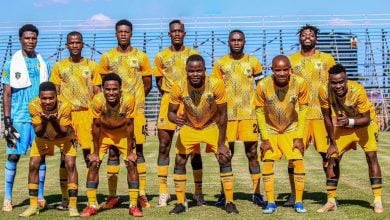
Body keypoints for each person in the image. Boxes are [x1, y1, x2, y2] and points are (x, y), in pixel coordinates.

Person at [167, 54, 239, 215]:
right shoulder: (178, 85)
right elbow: (170, 113)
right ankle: (180, 203)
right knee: (179, 161)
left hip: (211, 126)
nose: (195, 74)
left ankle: (229, 202)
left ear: (204, 71)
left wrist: (221, 144)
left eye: (199, 70)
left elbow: (223, 115)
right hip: (190, 127)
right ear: (186, 71)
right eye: (191, 71)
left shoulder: (215, 84)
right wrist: (176, 119)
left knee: (224, 157)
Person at [98, 19, 152, 209]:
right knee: (113, 151)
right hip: (112, 114)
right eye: (120, 32)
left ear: (131, 33)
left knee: (139, 152)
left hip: (136, 113)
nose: (123, 34)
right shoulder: (107, 57)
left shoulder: (142, 57)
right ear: (116, 34)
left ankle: (141, 194)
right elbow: (101, 85)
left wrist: (134, 101)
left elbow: (148, 83)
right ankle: (112, 196)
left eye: (126, 32)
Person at [318, 64, 383, 213]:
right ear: (329, 82)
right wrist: (333, 143)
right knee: (333, 158)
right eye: (334, 82)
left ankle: (378, 200)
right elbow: (327, 117)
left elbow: (366, 119)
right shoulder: (323, 91)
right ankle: (331, 201)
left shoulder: (357, 90)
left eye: (341, 81)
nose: (338, 85)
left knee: (371, 156)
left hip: (364, 124)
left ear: (346, 79)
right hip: (344, 123)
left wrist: (350, 122)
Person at [153, 19, 204, 206]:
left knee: (194, 149)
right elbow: (158, 82)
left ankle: (198, 192)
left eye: (180, 31)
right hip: (169, 101)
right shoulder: (160, 56)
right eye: (173, 31)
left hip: (191, 101)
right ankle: (163, 191)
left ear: (184, 33)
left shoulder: (193, 54)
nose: (176, 34)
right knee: (164, 145)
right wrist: (172, 95)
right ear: (169, 34)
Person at [211, 29, 265, 207]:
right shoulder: (220, 63)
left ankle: (257, 193)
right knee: (226, 154)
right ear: (228, 42)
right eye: (233, 40)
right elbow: (214, 91)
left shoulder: (253, 62)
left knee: (252, 154)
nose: (236, 43)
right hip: (227, 116)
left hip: (249, 115)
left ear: (244, 41)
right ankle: (224, 194)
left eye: (239, 40)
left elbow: (261, 87)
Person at [50, 31, 101, 210]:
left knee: (91, 158)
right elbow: (55, 93)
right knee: (66, 159)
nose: (74, 45)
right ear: (67, 45)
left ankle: (91, 199)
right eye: (71, 43)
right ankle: (66, 199)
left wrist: (98, 117)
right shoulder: (58, 67)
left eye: (77, 42)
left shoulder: (92, 66)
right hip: (67, 116)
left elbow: (97, 93)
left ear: (82, 44)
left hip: (87, 115)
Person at [286, 24, 336, 206]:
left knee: (328, 156)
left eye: (311, 35)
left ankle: (331, 196)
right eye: (304, 34)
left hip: (323, 116)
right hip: (299, 117)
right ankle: (293, 194)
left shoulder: (327, 59)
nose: (307, 37)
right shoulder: (291, 61)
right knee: (294, 155)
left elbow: (335, 84)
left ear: (316, 38)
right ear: (299, 38)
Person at [1, 24, 50, 212]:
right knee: (13, 155)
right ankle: (7, 198)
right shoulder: (11, 63)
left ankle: (40, 196)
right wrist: (7, 120)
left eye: (34, 38)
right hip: (18, 118)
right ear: (21, 39)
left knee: (41, 157)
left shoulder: (42, 61)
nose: (30, 41)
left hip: (39, 118)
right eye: (27, 38)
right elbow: (6, 93)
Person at [80, 73, 143, 217]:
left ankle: (133, 205)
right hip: (103, 134)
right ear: (103, 89)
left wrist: (129, 151)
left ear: (120, 89)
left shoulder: (128, 99)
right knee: (93, 164)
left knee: (132, 163)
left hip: (122, 134)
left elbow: (129, 125)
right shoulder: (97, 100)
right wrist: (95, 152)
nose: (111, 92)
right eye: (107, 89)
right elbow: (95, 126)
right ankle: (91, 205)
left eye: (115, 89)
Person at [254, 55, 309, 214]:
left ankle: (298, 201)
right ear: (272, 70)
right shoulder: (263, 85)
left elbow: (304, 109)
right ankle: (271, 202)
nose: (282, 73)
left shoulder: (299, 83)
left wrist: (299, 135)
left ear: (290, 69)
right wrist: (264, 138)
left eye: (285, 69)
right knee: (267, 162)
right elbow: (258, 111)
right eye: (278, 70)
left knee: (298, 161)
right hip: (270, 130)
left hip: (291, 129)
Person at [19, 82, 79, 217]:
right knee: (33, 164)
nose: (48, 101)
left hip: (64, 137)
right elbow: (39, 133)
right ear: (39, 97)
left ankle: (72, 205)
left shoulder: (65, 106)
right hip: (43, 137)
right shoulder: (33, 105)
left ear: (56, 96)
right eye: (44, 98)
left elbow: (63, 132)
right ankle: (33, 206)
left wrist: (54, 121)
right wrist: (45, 121)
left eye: (51, 98)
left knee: (70, 164)